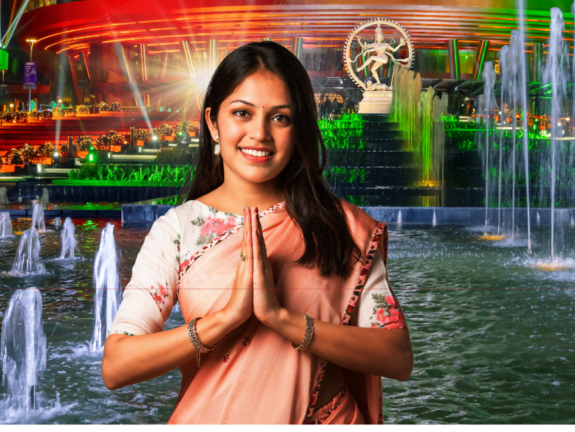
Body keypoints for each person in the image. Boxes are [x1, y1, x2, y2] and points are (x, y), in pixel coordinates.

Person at [101, 41, 412, 424]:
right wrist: (224, 320)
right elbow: (117, 365)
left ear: (298, 129)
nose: (260, 133)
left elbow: (397, 357)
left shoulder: (342, 228)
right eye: (242, 113)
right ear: (213, 122)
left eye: (280, 117)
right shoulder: (178, 231)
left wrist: (282, 319)